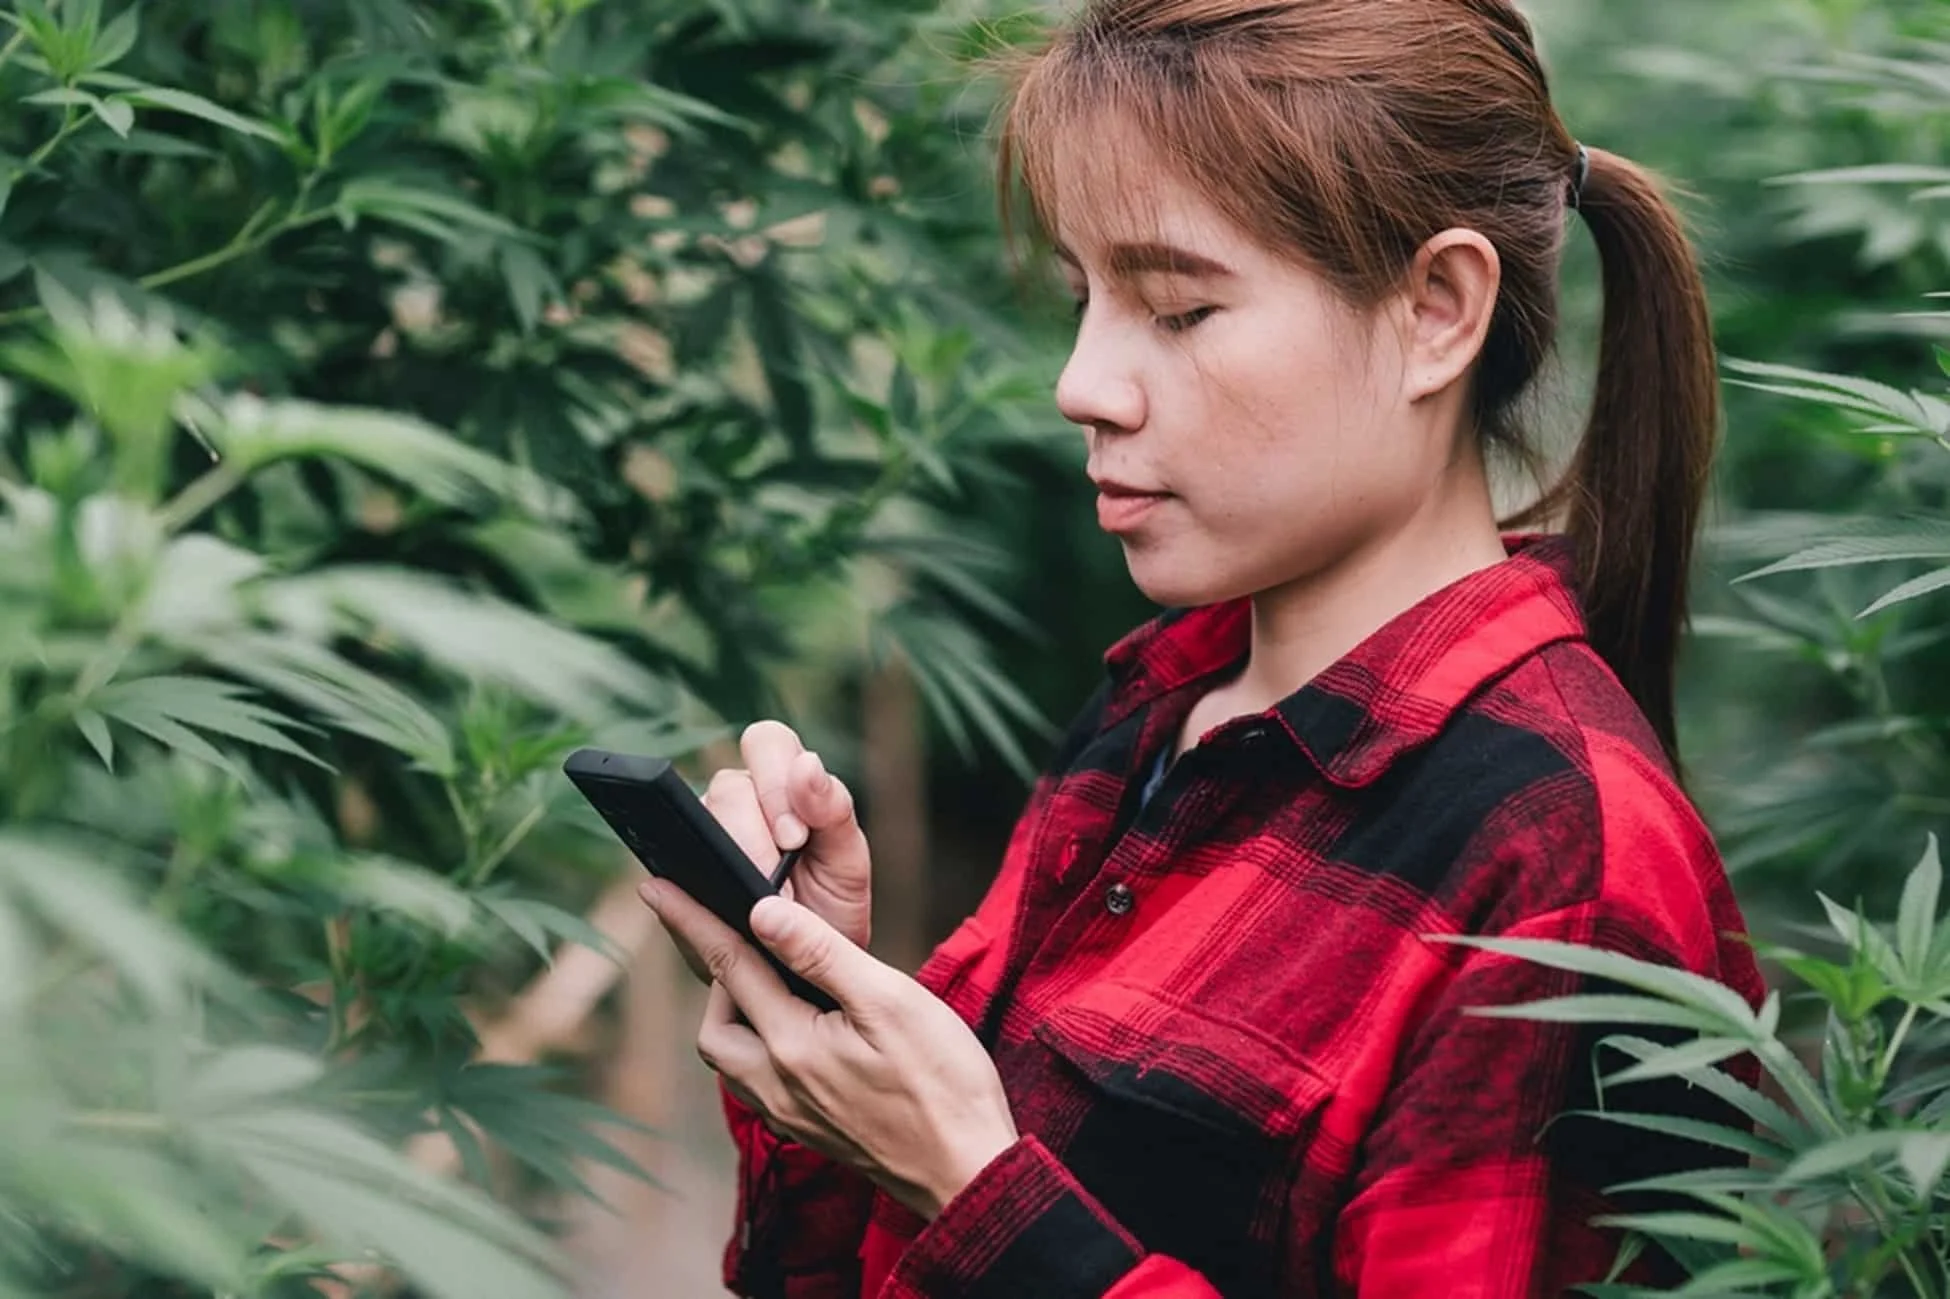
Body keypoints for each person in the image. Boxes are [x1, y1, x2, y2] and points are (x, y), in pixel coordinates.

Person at [638, 0, 1768, 1293]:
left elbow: (979, 1199)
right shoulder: (1163, 702)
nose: (1081, 380)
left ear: (1437, 309)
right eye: (1083, 296)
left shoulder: (1558, 857)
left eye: (1175, 309)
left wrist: (977, 1192)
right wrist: (826, 1019)